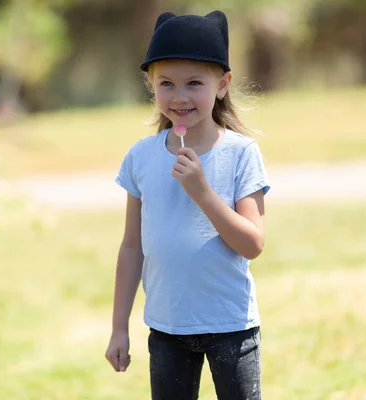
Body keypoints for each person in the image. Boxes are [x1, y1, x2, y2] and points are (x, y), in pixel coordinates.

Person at [105, 10, 271, 400]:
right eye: (166, 83)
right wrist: (119, 327)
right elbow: (132, 246)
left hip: (231, 327)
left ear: (222, 84)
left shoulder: (241, 153)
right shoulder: (141, 157)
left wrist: (203, 192)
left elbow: (252, 244)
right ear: (151, 85)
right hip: (167, 330)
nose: (179, 96)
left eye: (194, 82)